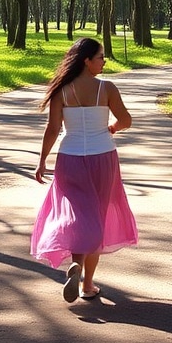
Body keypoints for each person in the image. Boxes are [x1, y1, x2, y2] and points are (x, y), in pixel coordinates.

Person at [32, 38, 137, 303]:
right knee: (97, 217)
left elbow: (53, 129)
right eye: (101, 57)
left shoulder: (62, 91)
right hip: (103, 157)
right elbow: (126, 120)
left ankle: (75, 266)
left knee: (78, 215)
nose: (104, 61)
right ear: (86, 60)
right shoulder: (107, 88)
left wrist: (42, 160)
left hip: (70, 158)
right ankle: (87, 284)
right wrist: (112, 128)